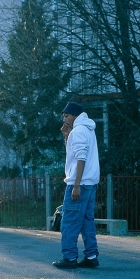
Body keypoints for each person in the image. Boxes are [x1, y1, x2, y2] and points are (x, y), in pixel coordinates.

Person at [52, 101, 100, 269]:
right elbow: (76, 153)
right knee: (87, 220)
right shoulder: (87, 129)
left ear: (75, 116)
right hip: (91, 183)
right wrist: (67, 136)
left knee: (70, 221)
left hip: (79, 182)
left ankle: (70, 258)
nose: (64, 118)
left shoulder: (78, 131)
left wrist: (76, 185)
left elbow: (81, 158)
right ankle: (91, 256)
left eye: (67, 115)